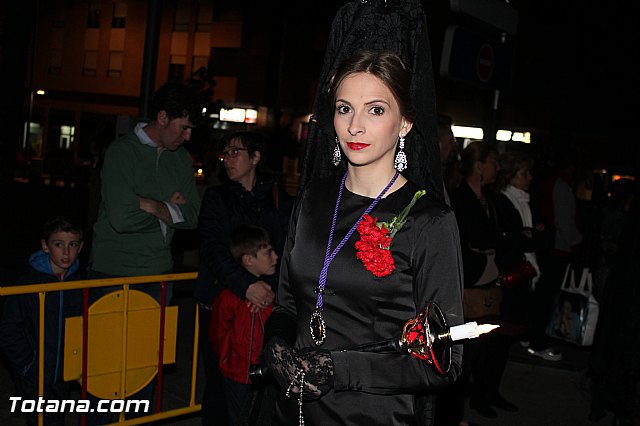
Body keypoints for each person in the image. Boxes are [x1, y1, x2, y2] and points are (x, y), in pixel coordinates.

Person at [262, 37, 463, 426]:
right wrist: (275, 345)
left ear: (405, 122)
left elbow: (445, 361)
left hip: (371, 414)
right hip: (294, 410)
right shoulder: (313, 199)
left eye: (376, 109)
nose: (355, 125)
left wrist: (339, 369)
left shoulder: (429, 221)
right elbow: (286, 304)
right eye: (344, 109)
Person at [87, 81, 202, 423]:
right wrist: (170, 211)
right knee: (106, 371)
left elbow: (194, 216)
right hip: (111, 273)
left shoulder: (180, 159)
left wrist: (152, 205)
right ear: (162, 117)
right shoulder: (122, 152)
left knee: (145, 369)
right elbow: (121, 219)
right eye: (184, 127)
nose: (188, 137)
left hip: (157, 276)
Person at [195, 130, 294, 425]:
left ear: (255, 157)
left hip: (267, 306)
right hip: (223, 303)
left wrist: (269, 290)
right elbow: (212, 248)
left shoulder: (279, 201)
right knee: (220, 383)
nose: (227, 159)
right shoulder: (217, 198)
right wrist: (247, 286)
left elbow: (288, 251)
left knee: (267, 383)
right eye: (224, 154)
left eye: (235, 152)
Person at [448, 141, 518, 421]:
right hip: (469, 284)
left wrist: (493, 243)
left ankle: (483, 395)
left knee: (490, 345)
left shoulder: (491, 199)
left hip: (490, 282)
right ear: (479, 166)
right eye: (493, 162)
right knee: (466, 350)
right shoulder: (459, 198)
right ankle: (454, 411)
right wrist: (489, 245)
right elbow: (473, 240)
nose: (497, 168)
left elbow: (499, 238)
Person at [0, 216, 84, 426]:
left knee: (56, 418)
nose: (66, 252)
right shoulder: (27, 284)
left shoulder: (81, 283)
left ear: (80, 247)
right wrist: (27, 363)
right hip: (34, 374)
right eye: (59, 244)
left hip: (64, 374)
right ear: (45, 246)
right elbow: (8, 329)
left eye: (72, 244)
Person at [209, 225, 278, 425]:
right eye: (268, 253)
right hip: (238, 374)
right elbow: (217, 333)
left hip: (268, 372)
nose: (275, 257)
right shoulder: (229, 297)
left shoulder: (273, 292)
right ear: (248, 259)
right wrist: (227, 359)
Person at [588, 183, 640, 426]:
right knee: (621, 351)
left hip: (619, 291)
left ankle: (603, 402)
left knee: (611, 345)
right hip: (625, 297)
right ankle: (618, 408)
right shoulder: (620, 220)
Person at [528, 146, 583, 361]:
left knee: (541, 296)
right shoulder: (560, 185)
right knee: (547, 298)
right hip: (556, 248)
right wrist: (577, 243)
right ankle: (538, 339)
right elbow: (564, 220)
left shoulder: (549, 181)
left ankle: (532, 336)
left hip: (548, 245)